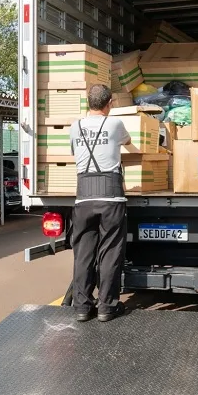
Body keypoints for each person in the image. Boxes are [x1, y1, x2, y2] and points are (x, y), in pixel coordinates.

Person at [69, 84, 131, 323]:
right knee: (109, 253)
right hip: (111, 196)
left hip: (83, 196)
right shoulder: (115, 124)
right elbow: (127, 141)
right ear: (110, 103)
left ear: (88, 102)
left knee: (83, 254)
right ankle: (107, 307)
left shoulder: (75, 127)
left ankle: (82, 308)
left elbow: (74, 152)